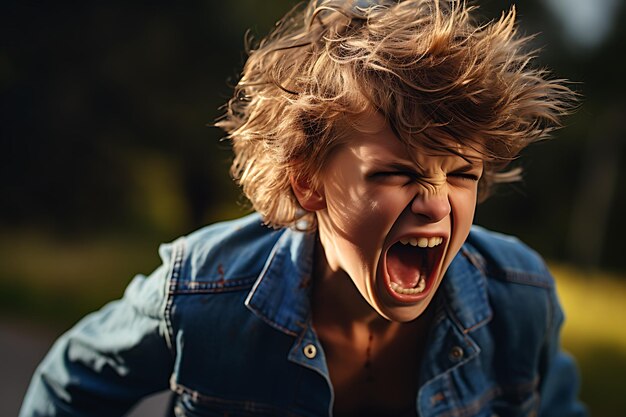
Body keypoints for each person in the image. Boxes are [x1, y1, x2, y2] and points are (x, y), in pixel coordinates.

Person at [20, 0, 587, 416]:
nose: (437, 204)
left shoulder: (519, 299)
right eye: (397, 173)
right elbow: (68, 384)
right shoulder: (201, 294)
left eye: (462, 175)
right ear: (308, 182)